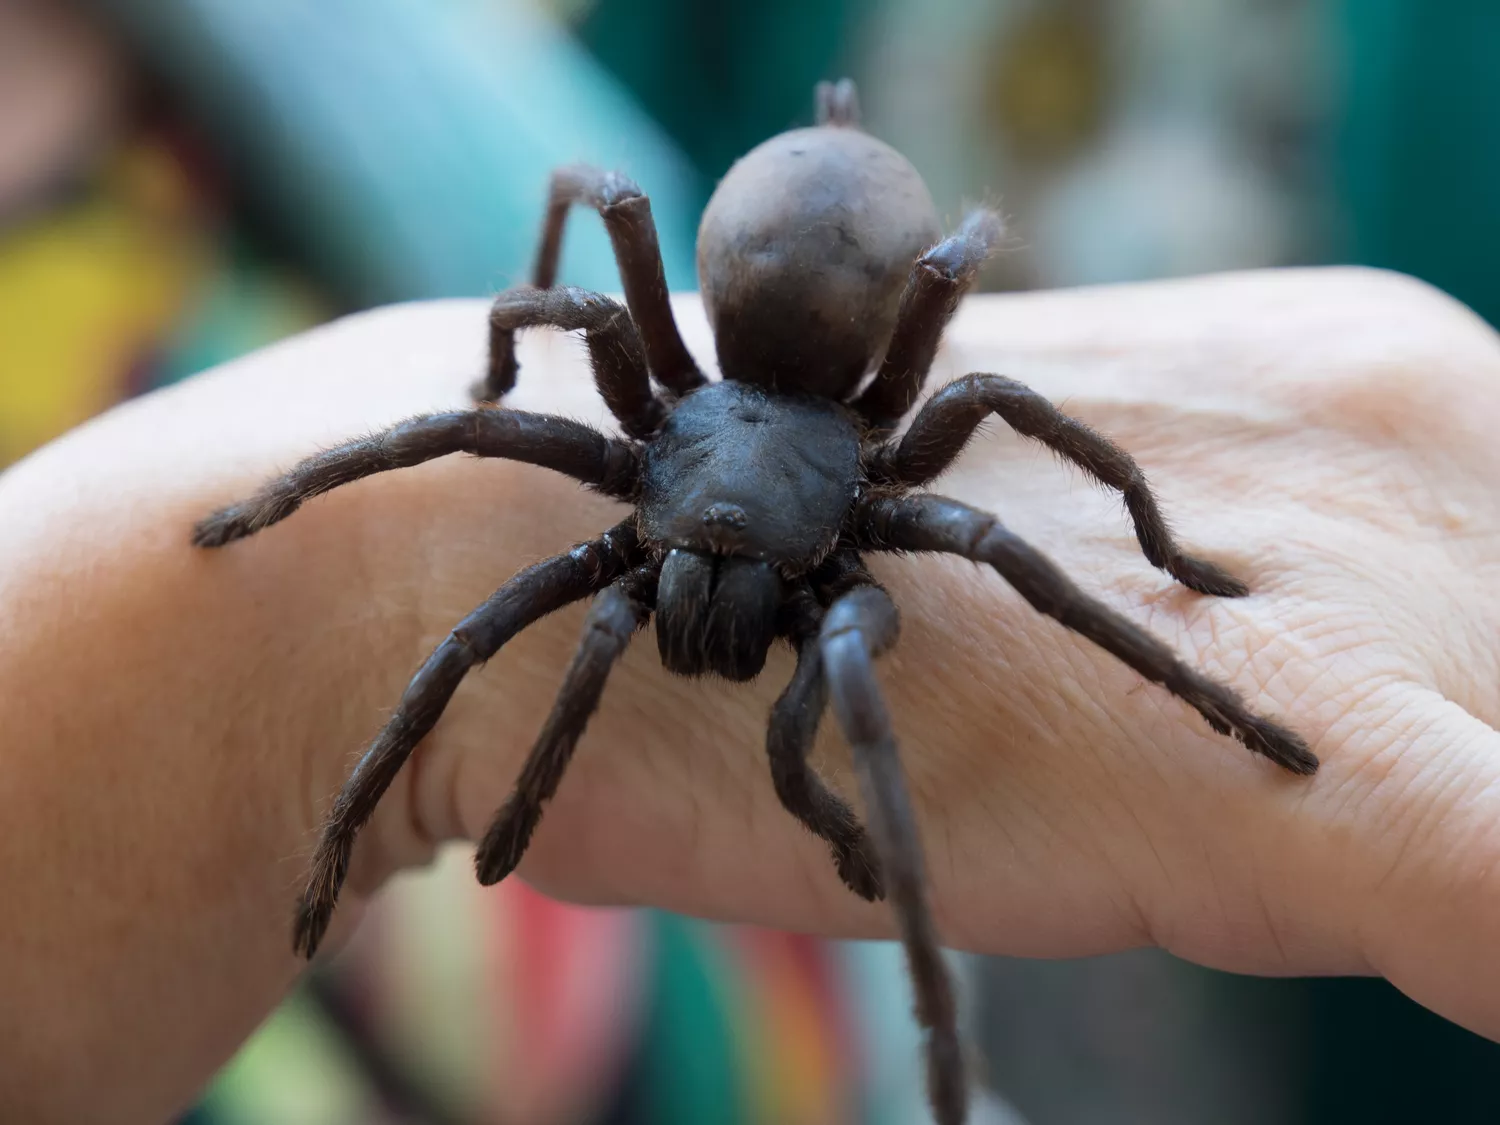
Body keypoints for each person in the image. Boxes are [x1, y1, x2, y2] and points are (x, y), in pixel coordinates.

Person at [3, 268, 1498, 1124]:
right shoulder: (633, 450)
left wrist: (1199, 638)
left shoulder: (386, 90)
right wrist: (270, 572)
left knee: (923, 613)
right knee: (480, 636)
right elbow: (466, 417)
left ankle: (961, 1007)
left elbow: (995, 387)